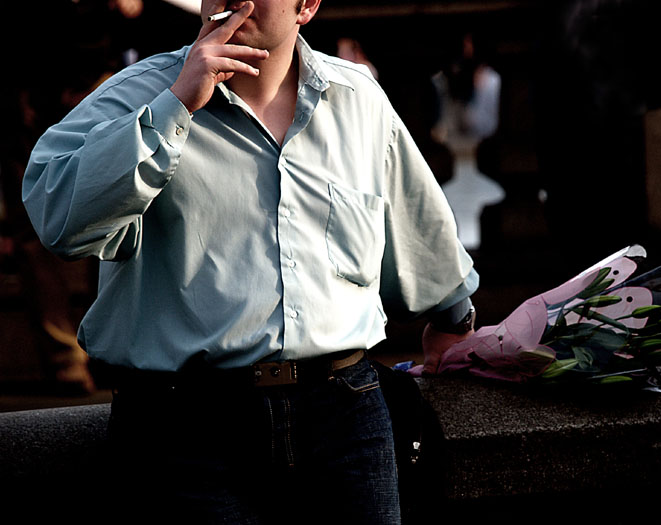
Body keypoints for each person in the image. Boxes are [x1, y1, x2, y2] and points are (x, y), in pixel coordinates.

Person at [22, 0, 479, 522]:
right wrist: (174, 108)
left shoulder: (357, 100)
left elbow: (417, 222)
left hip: (344, 415)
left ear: (306, 5)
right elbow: (55, 215)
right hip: (184, 424)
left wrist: (455, 320)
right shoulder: (139, 93)